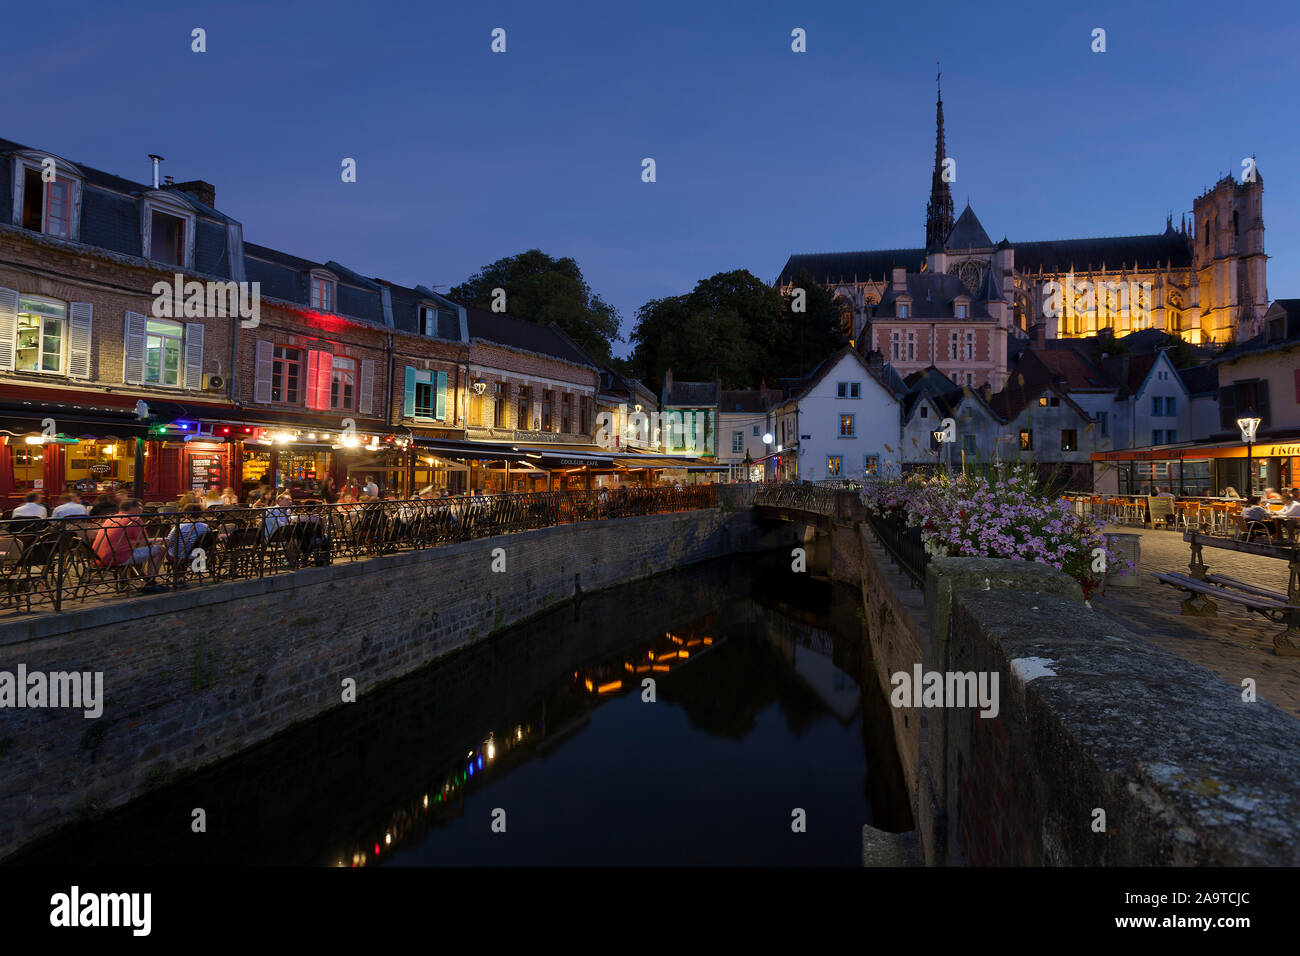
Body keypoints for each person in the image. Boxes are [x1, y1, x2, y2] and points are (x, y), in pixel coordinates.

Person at [92, 499, 165, 588]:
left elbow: (128, 541)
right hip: (116, 558)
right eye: (140, 506)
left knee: (130, 550)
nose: (142, 508)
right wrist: (161, 540)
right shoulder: (134, 519)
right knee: (160, 549)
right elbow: (143, 542)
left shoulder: (112, 518)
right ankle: (151, 581)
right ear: (135, 507)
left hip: (98, 558)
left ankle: (124, 580)